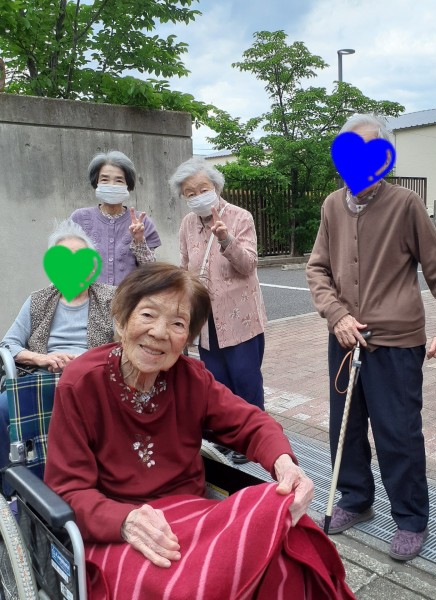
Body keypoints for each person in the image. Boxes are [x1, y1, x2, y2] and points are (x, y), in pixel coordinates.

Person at [44, 263, 354, 599]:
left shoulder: (192, 378)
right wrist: (125, 520)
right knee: (180, 589)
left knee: (285, 550)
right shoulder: (81, 383)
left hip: (192, 516)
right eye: (148, 315)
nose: (159, 332)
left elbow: (250, 423)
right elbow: (68, 489)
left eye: (177, 323)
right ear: (121, 319)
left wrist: (285, 464)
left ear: (187, 339)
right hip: (119, 528)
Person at [306, 114, 436, 561]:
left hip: (396, 340)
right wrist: (336, 314)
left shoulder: (405, 204)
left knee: (398, 432)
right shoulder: (332, 206)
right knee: (346, 425)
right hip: (344, 337)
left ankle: (411, 519)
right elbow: (317, 268)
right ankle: (355, 498)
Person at [0, 219, 115, 489]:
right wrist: (43, 358)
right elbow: (8, 344)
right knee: (3, 408)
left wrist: (86, 361)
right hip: (43, 376)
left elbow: (124, 343)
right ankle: (11, 486)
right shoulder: (38, 300)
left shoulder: (112, 298)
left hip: (93, 377)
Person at [170, 157, 268, 464]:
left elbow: (248, 265)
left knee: (245, 381)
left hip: (240, 317)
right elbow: (185, 265)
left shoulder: (240, 217)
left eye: (203, 188)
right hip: (205, 320)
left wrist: (226, 238)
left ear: (216, 186)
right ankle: (225, 438)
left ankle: (253, 439)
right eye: (190, 193)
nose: (197, 196)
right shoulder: (187, 224)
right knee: (217, 384)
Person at [70, 150, 161, 286]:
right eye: (105, 180)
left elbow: (150, 271)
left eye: (119, 180)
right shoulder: (79, 218)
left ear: (128, 185)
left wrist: (139, 241)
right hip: (89, 297)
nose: (111, 185)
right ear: (96, 182)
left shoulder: (142, 221)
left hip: (128, 296)